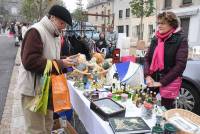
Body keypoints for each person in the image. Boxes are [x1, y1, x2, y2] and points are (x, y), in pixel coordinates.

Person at [17, 5, 79, 133]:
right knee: (36, 130)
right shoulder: (36, 31)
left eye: (65, 24)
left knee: (47, 126)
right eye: (62, 23)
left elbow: (50, 58)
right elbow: (30, 61)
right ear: (52, 18)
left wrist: (67, 61)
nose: (64, 27)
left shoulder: (54, 34)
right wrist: (61, 63)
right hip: (33, 92)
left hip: (46, 91)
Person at [144, 11, 188, 110]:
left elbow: (180, 65)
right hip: (153, 78)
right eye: (158, 23)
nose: (159, 26)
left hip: (169, 81)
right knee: (147, 105)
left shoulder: (181, 39)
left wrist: (162, 82)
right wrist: (147, 75)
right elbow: (147, 58)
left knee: (165, 110)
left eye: (163, 23)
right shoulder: (156, 38)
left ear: (172, 24)